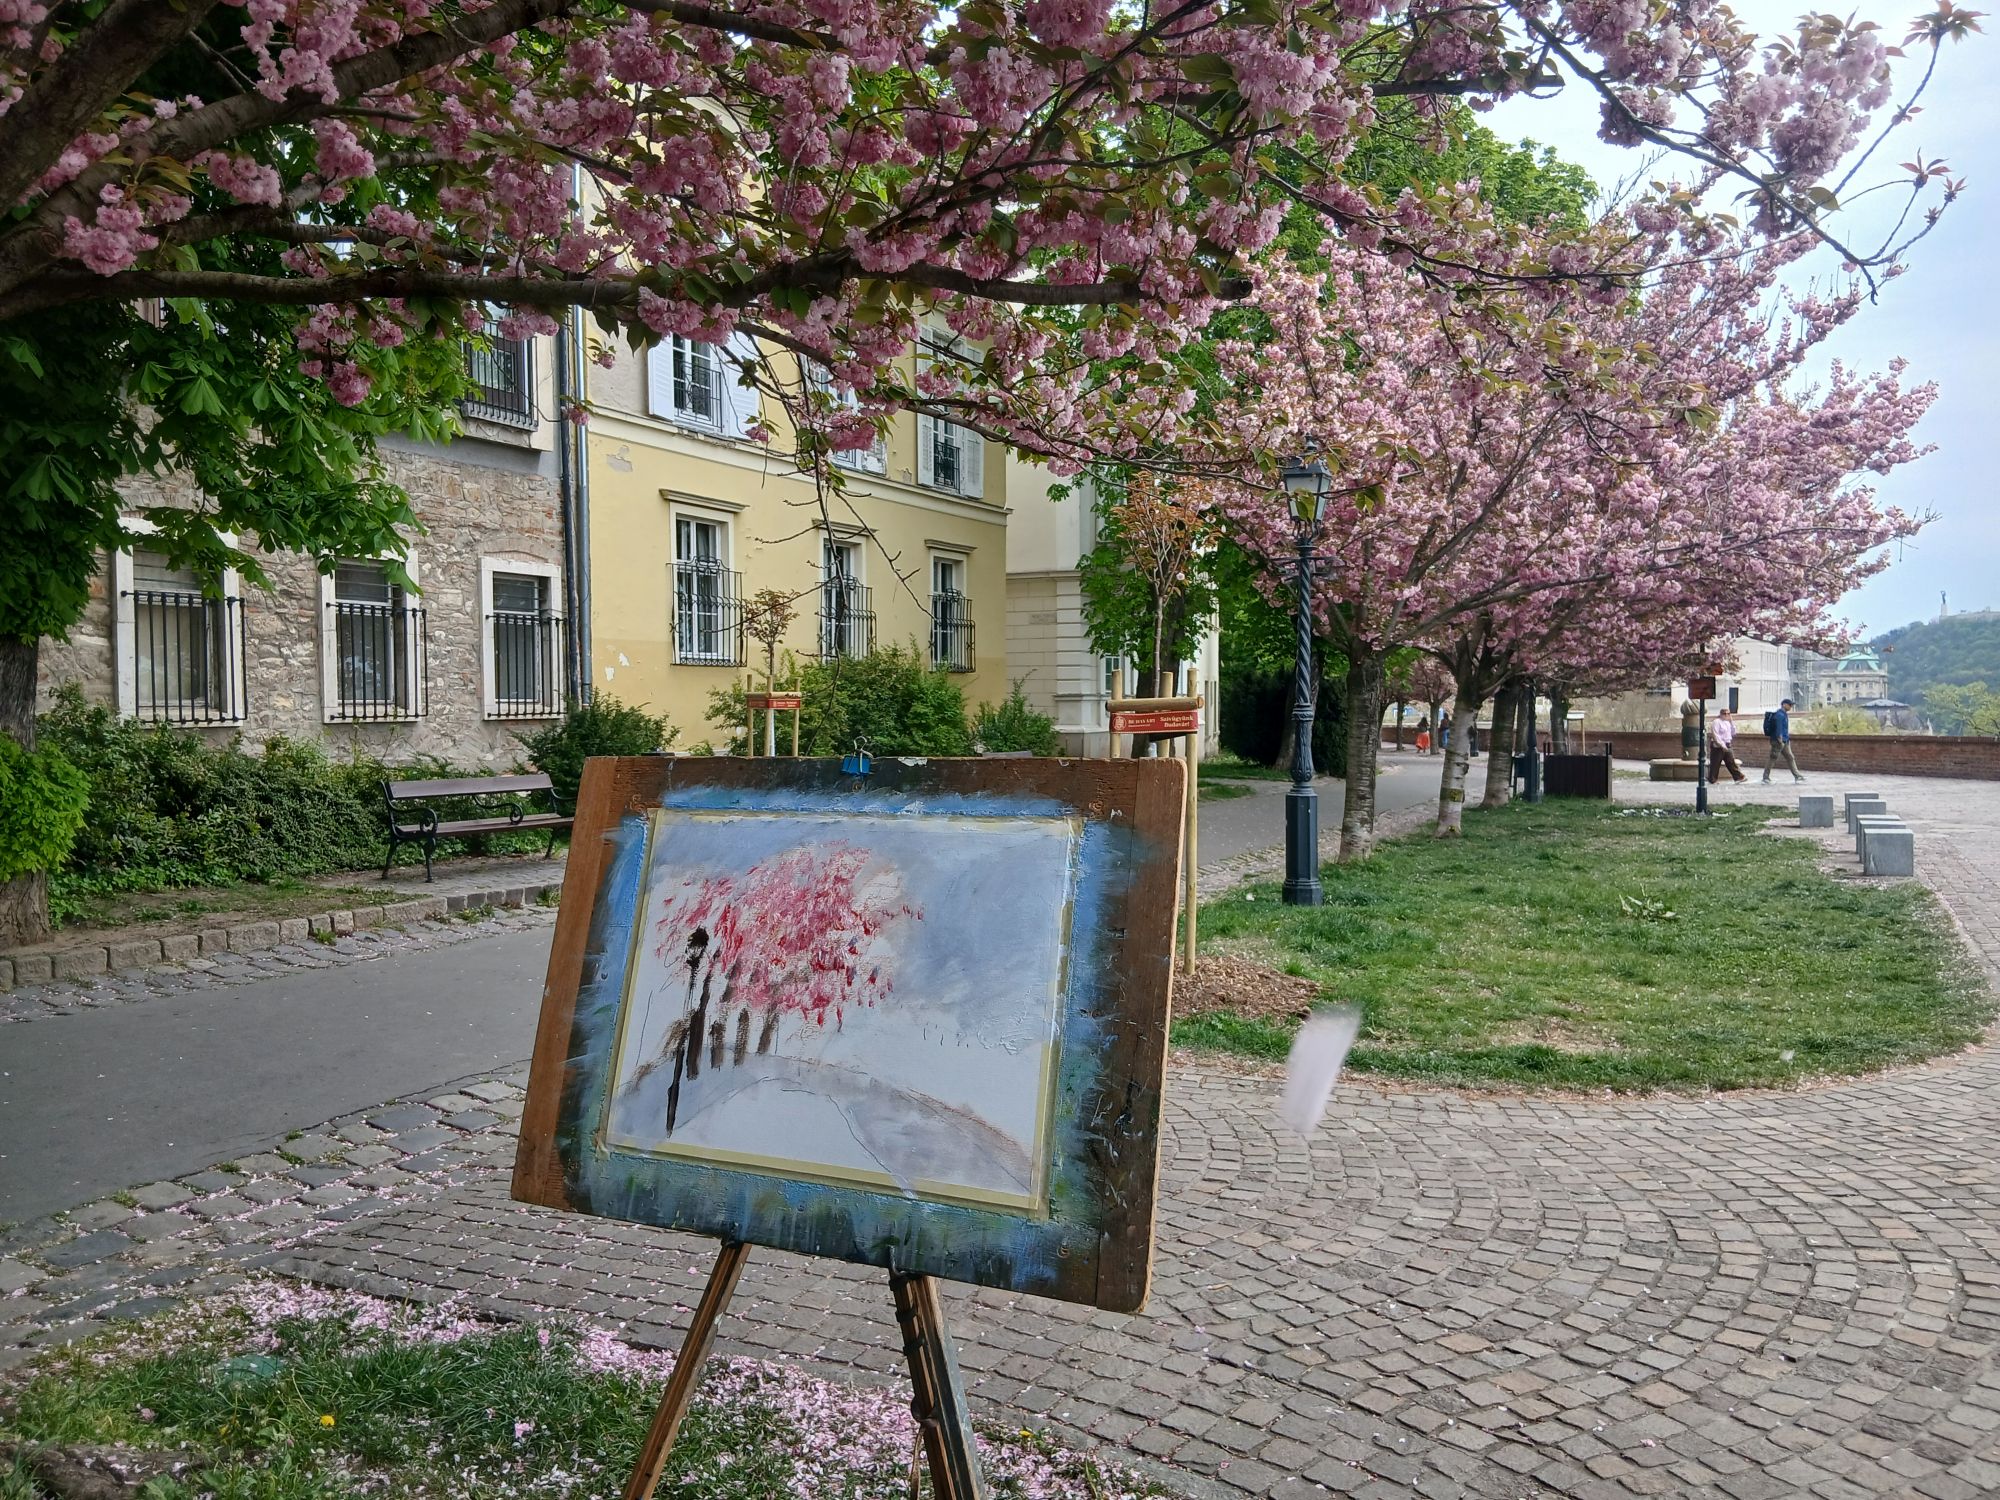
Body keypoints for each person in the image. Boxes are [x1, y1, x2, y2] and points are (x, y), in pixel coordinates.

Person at [1762, 698, 1805, 783]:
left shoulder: (1784, 714)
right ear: (1784, 704)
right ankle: (1765, 777)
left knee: (1790, 757)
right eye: (1790, 705)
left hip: (1785, 740)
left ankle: (1797, 776)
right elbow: (1779, 728)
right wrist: (1779, 738)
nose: (1791, 707)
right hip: (1779, 741)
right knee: (1773, 758)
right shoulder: (1779, 715)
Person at [1708, 707, 1747, 785]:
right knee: (1715, 763)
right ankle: (1712, 779)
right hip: (1718, 746)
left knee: (1731, 761)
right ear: (1720, 714)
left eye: (1728, 713)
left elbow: (1733, 732)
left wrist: (1731, 721)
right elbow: (1716, 735)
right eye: (1724, 713)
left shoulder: (1728, 723)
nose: (1726, 715)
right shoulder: (1716, 722)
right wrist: (1722, 745)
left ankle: (1738, 777)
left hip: (1727, 744)